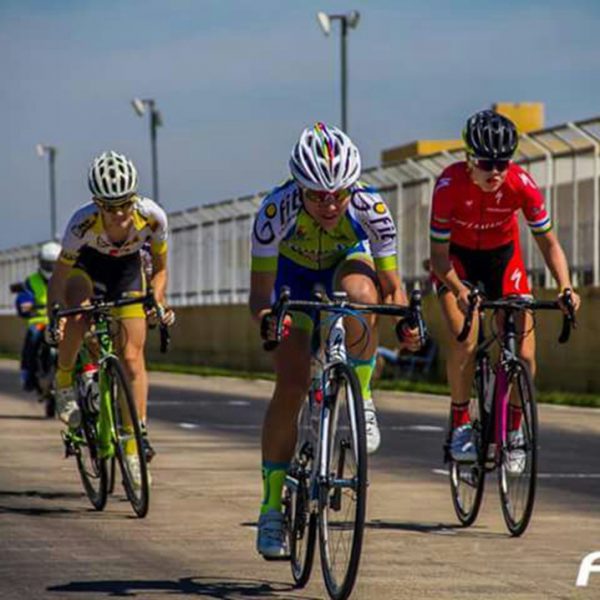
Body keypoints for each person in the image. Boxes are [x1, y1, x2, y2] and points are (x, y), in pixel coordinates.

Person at [249, 122, 420, 558]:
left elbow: (392, 287)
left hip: (347, 263)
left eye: (338, 194)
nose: (329, 204)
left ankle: (361, 395)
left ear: (352, 188)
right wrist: (269, 321)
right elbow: (259, 297)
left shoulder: (371, 207)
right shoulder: (275, 212)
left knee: (363, 297)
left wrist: (405, 322)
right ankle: (271, 507)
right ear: (299, 188)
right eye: (317, 195)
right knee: (291, 383)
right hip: (295, 277)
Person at [429, 110, 581, 469]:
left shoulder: (521, 183)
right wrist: (459, 290)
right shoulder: (448, 186)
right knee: (465, 337)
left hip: (502, 259)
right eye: (486, 162)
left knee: (525, 356)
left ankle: (513, 432)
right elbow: (436, 257)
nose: (495, 171)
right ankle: (462, 422)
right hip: (457, 263)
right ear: (469, 159)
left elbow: (549, 244)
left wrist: (565, 286)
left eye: (502, 162)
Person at [47, 150, 175, 487]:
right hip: (85, 270)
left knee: (132, 358)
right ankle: (63, 382)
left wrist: (156, 301)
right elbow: (59, 277)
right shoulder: (81, 223)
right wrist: (55, 316)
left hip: (128, 272)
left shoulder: (152, 218)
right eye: (109, 206)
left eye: (124, 204)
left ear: (135, 198)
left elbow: (160, 270)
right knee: (78, 316)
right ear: (96, 203)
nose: (118, 214)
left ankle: (134, 443)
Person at [13, 241, 61, 391]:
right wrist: (25, 305)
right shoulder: (32, 280)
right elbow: (23, 297)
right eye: (48, 264)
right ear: (41, 262)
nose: (51, 268)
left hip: (61, 319)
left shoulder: (65, 278)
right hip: (40, 320)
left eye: (54, 264)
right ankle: (27, 374)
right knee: (32, 338)